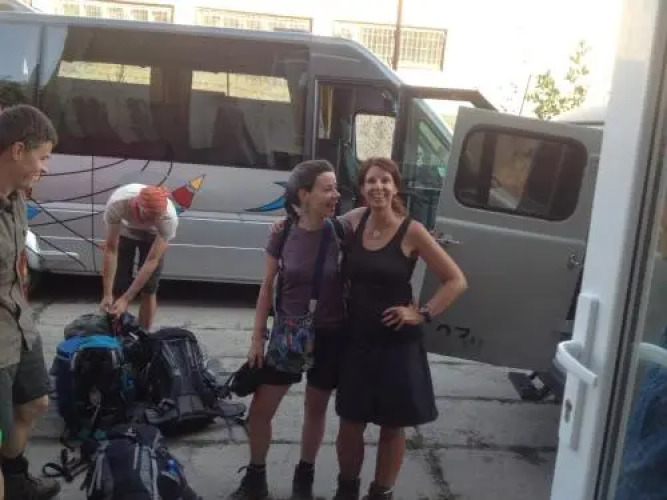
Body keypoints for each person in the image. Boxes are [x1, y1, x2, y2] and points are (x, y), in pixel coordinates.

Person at [333, 157, 468, 500]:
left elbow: (456, 280)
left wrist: (422, 314)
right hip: (357, 340)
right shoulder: (354, 221)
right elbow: (316, 223)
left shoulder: (413, 231)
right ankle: (346, 491)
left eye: (385, 180)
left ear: (395, 187)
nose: (378, 187)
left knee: (392, 426)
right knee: (350, 422)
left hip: (397, 344)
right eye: (371, 181)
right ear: (362, 188)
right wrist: (286, 223)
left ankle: (381, 493)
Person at [230, 160, 351, 500]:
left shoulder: (342, 230)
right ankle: (256, 479)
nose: (336, 195)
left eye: (336, 188)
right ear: (304, 195)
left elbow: (380, 225)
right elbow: (266, 287)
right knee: (260, 411)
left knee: (315, 408)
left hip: (329, 335)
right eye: (327, 188)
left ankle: (304, 478)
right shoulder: (283, 232)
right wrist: (257, 338)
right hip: (287, 334)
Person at [0, 104, 61, 500]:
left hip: (19, 323)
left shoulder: (17, 198)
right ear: (18, 150)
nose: (46, 167)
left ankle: (15, 479)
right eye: (43, 157)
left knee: (35, 402)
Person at [100, 183, 178, 330]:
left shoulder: (168, 218)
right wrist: (107, 294)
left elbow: (152, 260)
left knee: (149, 288)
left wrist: (127, 299)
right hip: (126, 230)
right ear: (137, 205)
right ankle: (117, 333)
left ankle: (144, 333)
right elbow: (111, 249)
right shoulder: (118, 203)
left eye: (156, 218)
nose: (151, 221)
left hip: (154, 235)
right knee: (119, 284)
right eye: (149, 216)